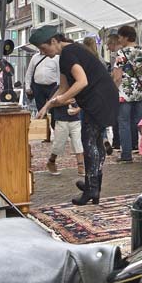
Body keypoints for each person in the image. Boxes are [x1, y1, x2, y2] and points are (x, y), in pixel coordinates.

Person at [32, 25, 118, 205]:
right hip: (102, 97)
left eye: (43, 48)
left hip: (98, 99)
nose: (42, 52)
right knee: (93, 141)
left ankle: (91, 187)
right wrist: (47, 105)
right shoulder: (69, 52)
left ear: (54, 41)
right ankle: (93, 185)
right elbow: (63, 86)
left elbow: (81, 82)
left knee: (89, 141)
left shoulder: (68, 54)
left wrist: (63, 99)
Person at [113, 25, 142, 163]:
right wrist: (140, 76)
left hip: (125, 92)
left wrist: (115, 89)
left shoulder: (121, 53)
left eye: (119, 37)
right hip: (140, 91)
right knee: (141, 122)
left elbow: (117, 77)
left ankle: (126, 155)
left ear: (125, 37)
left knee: (124, 123)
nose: (119, 40)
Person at [25, 49, 60, 142]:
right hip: (38, 87)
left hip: (52, 87)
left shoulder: (55, 58)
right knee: (41, 110)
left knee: (54, 110)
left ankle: (56, 132)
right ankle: (46, 135)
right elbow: (29, 73)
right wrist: (27, 87)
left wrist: (59, 88)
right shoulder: (34, 58)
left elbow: (59, 73)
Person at [46, 101, 84, 176]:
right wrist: (66, 101)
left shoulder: (77, 89)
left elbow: (85, 101)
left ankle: (81, 166)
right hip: (61, 120)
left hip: (76, 120)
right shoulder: (59, 89)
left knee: (78, 143)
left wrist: (77, 109)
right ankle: (51, 161)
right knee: (58, 145)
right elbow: (52, 103)